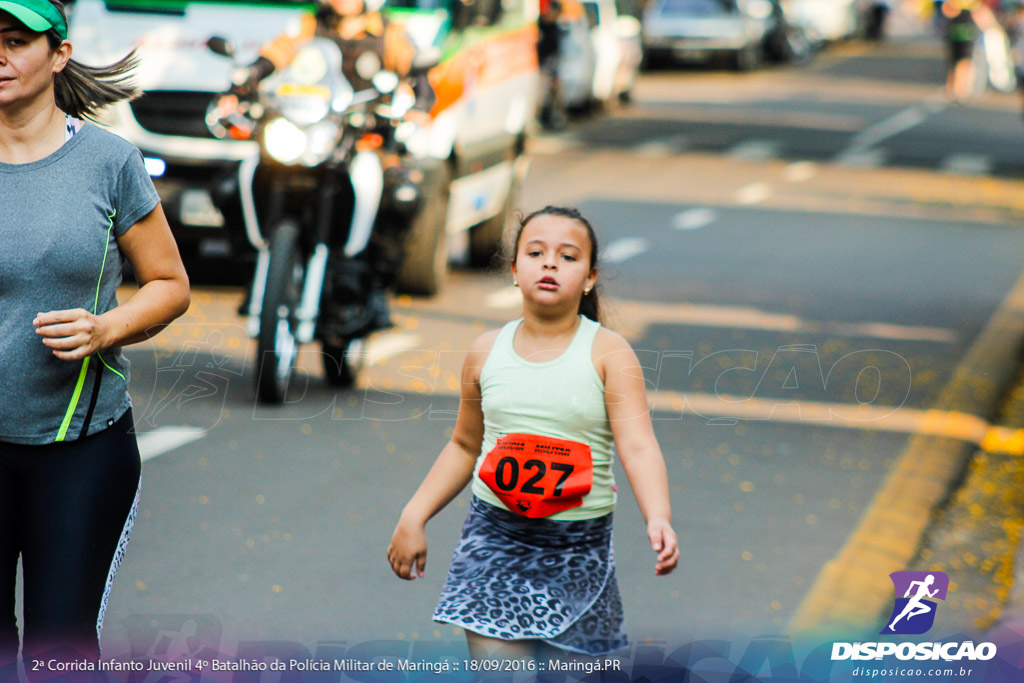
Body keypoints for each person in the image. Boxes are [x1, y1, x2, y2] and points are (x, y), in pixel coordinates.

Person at [386, 206, 679, 660]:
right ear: (514, 270)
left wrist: (657, 515)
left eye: (567, 256)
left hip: (577, 548)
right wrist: (414, 515)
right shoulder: (486, 351)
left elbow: (638, 446)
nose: (549, 264)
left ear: (589, 278)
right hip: (494, 539)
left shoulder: (608, 353)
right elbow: (465, 445)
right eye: (536, 252)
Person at [0, 0, 190, 667]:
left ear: (59, 54)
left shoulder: (108, 160)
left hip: (80, 448)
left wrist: (107, 326)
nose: (0, 55)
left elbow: (170, 283)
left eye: (16, 40)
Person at [226, 0, 432, 334]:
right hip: (309, 135)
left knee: (402, 196)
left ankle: (373, 288)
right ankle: (252, 270)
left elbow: (419, 76)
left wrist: (419, 104)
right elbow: (276, 54)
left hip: (364, 140)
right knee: (230, 185)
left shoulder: (388, 34)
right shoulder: (309, 26)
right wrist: (246, 79)